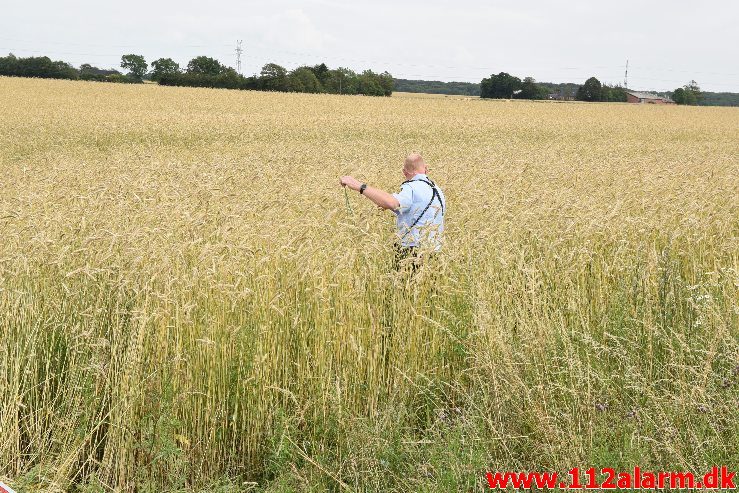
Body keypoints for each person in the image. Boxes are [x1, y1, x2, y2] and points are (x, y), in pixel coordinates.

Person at [339, 153, 446, 270]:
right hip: (435, 252)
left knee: (406, 288)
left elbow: (392, 203)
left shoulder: (411, 187)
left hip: (413, 253)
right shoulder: (436, 189)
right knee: (429, 288)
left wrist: (358, 185)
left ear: (404, 172)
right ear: (426, 169)